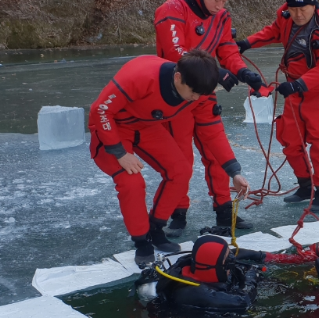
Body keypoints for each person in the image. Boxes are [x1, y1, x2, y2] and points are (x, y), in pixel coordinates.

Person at [88, 50, 249, 267]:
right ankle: (142, 241)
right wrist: (119, 152)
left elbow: (212, 132)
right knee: (131, 182)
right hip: (113, 130)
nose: (195, 99)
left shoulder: (200, 91)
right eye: (192, 93)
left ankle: (155, 228)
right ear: (177, 78)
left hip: (146, 127)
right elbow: (101, 109)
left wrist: (234, 172)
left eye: (201, 95)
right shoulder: (141, 75)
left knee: (180, 171)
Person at [154, 0, 265, 235]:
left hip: (205, 94)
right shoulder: (172, 10)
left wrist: (241, 71)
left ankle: (225, 212)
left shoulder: (221, 17)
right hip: (176, 95)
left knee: (216, 155)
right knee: (180, 159)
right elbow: (175, 53)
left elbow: (226, 48)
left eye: (224, 0)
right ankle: (177, 213)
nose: (220, 5)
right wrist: (216, 72)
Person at [236, 0, 319, 212]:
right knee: (290, 140)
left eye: (303, 9)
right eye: (293, 9)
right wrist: (247, 43)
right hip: (294, 88)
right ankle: (305, 185)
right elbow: (273, 31)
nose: (298, 14)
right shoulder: (286, 16)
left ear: (313, 5)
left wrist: (299, 85)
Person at [136, 235, 261, 312]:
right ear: (215, 267)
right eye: (229, 261)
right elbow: (243, 301)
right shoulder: (195, 292)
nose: (232, 264)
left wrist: (261, 256)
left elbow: (228, 254)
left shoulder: (190, 263)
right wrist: (251, 275)